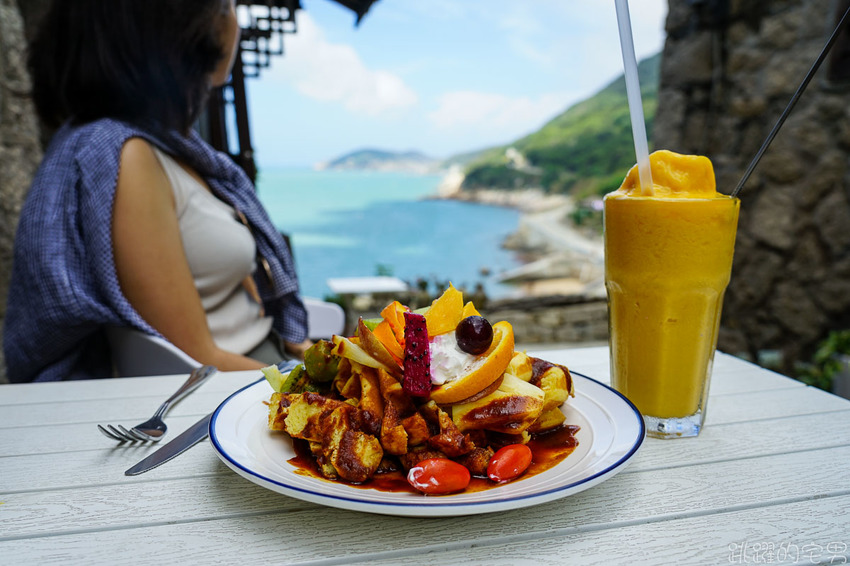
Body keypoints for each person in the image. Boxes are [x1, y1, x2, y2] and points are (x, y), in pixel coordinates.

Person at [3, 0, 311, 383]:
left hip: (265, 360)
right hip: (237, 390)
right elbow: (195, 359)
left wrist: (307, 351)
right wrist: (323, 384)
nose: (234, 23)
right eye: (228, 7)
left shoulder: (168, 150)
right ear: (187, 31)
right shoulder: (127, 157)